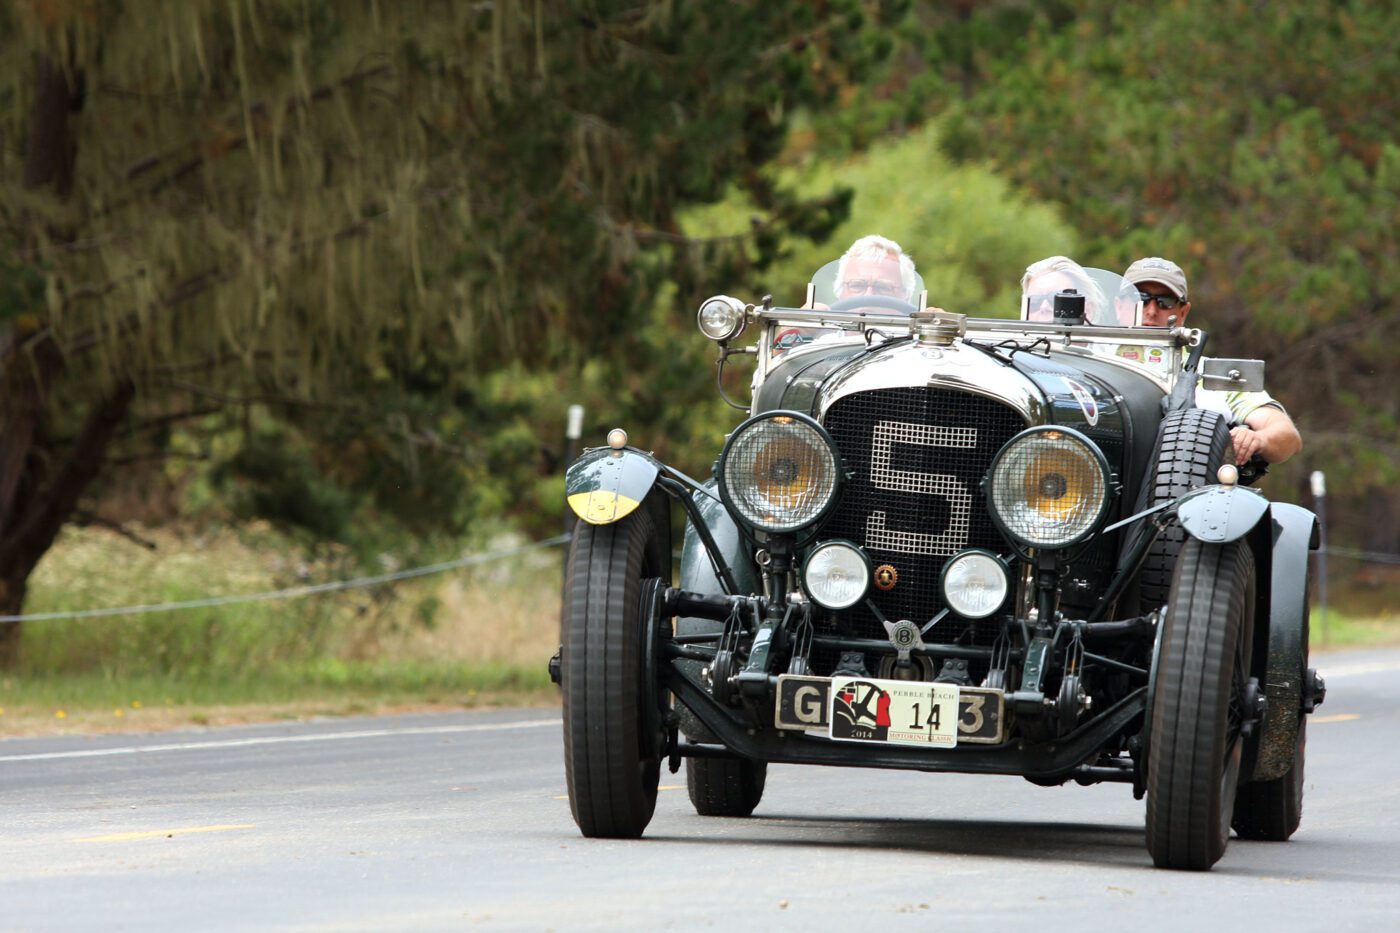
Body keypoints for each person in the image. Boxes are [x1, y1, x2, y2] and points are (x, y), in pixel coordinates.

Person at [1124, 256, 1302, 466]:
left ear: (1183, 312)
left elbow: (1287, 436)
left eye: (1165, 301)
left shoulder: (1213, 375)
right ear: (1119, 305)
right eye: (1140, 298)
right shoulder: (1090, 363)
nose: (1151, 311)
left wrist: (1257, 439)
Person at [833, 234, 918, 306]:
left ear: (905, 295)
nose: (869, 296)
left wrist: (929, 323)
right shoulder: (823, 324)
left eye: (883, 287)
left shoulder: (917, 325)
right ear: (839, 292)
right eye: (857, 285)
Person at [1020, 255, 1109, 323]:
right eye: (1034, 302)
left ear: (1087, 310)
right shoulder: (1011, 346)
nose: (1044, 307)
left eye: (1056, 299)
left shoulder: (1112, 346)